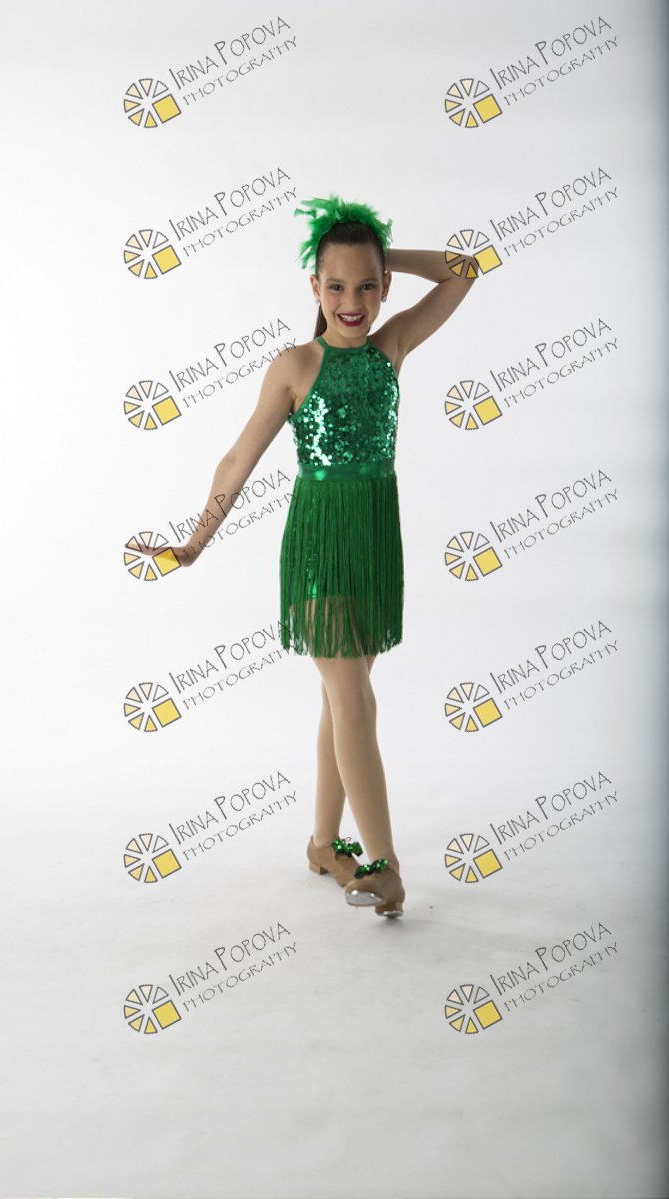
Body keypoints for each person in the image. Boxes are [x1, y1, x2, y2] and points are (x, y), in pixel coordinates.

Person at [126, 195, 479, 919]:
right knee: (354, 701)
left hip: (373, 541)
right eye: (336, 285)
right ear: (314, 287)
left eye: (368, 285)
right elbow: (237, 458)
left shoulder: (391, 348)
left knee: (339, 699)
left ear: (385, 287)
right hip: (319, 546)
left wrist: (381, 251)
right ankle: (384, 865)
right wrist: (195, 540)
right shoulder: (295, 365)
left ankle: (323, 843)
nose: (352, 302)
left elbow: (464, 270)